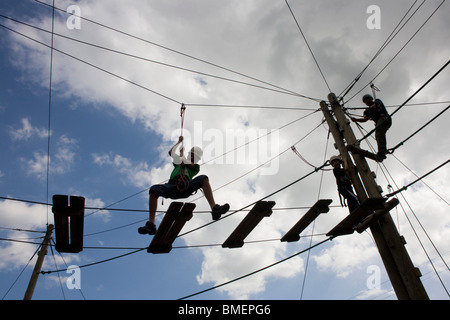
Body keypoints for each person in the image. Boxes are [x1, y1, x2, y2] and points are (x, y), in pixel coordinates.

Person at [138, 136, 230, 235]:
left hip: (186, 187)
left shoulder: (195, 167)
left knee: (204, 178)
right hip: (173, 186)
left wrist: (182, 154)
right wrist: (178, 142)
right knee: (154, 190)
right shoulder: (179, 162)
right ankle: (151, 225)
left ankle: (214, 209)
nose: (193, 159)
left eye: (196, 158)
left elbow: (187, 163)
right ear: (190, 154)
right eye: (192, 155)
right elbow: (171, 152)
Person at [350, 94, 392, 161]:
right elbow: (365, 119)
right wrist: (356, 119)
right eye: (365, 101)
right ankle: (382, 151)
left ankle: (382, 150)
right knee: (378, 135)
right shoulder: (367, 111)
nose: (366, 101)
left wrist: (370, 108)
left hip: (384, 118)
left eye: (367, 99)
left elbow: (376, 105)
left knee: (379, 132)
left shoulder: (377, 101)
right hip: (380, 122)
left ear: (371, 99)